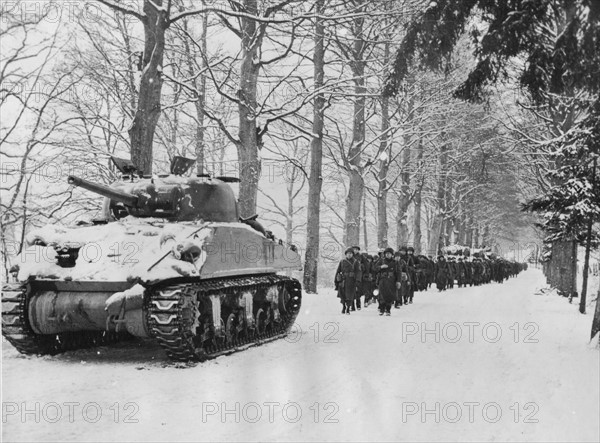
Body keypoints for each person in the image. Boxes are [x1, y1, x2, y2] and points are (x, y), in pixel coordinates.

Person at [334, 247, 362, 314]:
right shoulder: (342, 261)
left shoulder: (356, 262)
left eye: (350, 253)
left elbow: (358, 272)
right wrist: (336, 281)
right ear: (346, 254)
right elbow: (338, 271)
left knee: (350, 295)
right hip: (343, 280)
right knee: (342, 295)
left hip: (351, 281)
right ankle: (344, 306)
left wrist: (358, 280)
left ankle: (348, 308)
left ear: (352, 254)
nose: (349, 255)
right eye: (348, 253)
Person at [374, 247, 400, 316]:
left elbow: (398, 273)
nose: (388, 255)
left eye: (389, 254)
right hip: (382, 280)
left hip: (392, 281)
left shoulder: (395, 263)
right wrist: (381, 267)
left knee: (390, 296)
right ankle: (382, 309)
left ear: (392, 255)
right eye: (386, 254)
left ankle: (388, 310)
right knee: (382, 295)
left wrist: (398, 281)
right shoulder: (381, 261)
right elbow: (374, 268)